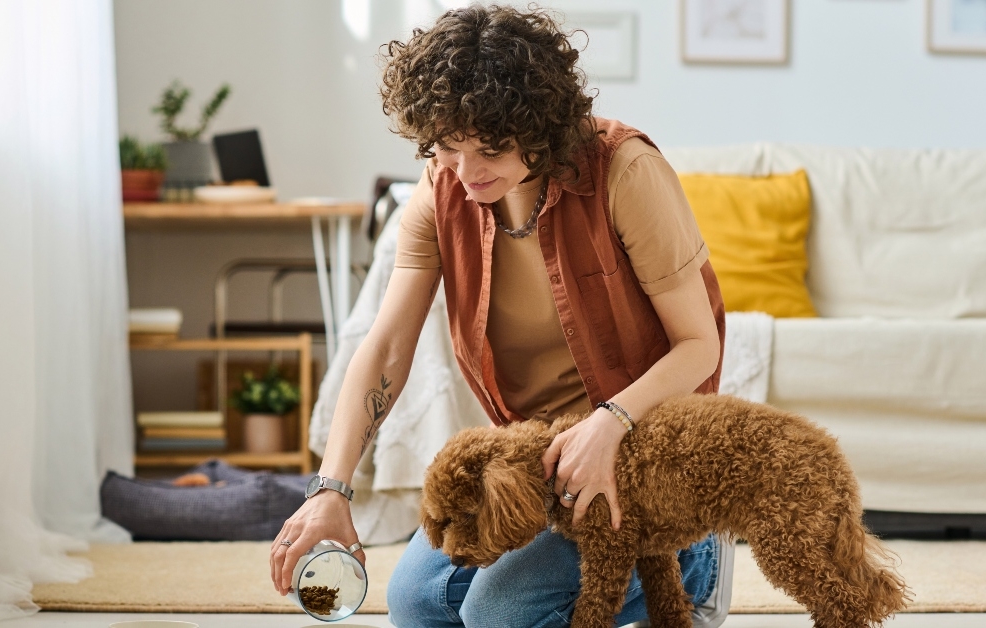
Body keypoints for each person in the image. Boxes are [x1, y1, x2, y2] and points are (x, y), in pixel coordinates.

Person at [271, 5, 732, 627]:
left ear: (542, 127)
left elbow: (699, 344)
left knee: (499, 612)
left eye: (489, 149)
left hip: (652, 455)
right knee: (417, 604)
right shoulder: (442, 191)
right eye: (447, 147)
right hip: (540, 469)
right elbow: (385, 348)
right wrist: (332, 489)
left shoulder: (625, 171)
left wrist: (610, 422)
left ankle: (698, 563)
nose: (465, 174)